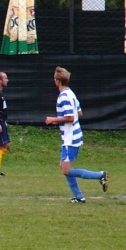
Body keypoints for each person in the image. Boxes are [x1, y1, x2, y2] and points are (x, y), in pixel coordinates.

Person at [45, 67, 108, 203]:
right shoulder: (71, 93)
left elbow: (71, 118)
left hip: (70, 138)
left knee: (66, 170)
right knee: (63, 166)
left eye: (54, 79)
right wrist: (60, 120)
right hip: (73, 135)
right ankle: (79, 197)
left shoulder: (63, 97)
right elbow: (79, 113)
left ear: (57, 81)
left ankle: (100, 175)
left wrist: (53, 119)